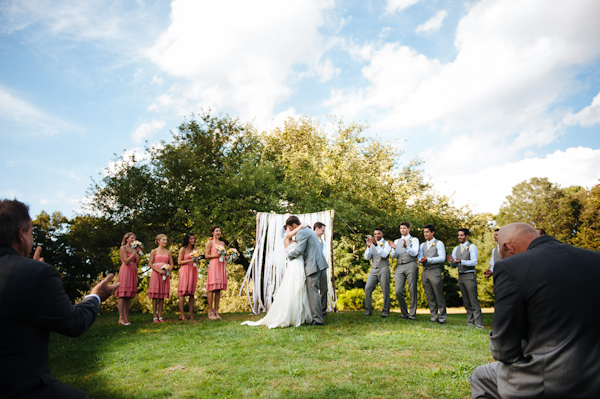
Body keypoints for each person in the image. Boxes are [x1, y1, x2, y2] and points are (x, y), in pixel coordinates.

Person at [0, 199, 119, 398]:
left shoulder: (27, 273)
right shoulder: (38, 274)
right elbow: (73, 323)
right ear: (21, 234)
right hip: (21, 387)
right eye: (31, 232)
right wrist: (95, 296)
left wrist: (25, 269)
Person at [470, 223, 600, 398]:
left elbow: (503, 349)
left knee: (480, 377)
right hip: (595, 377)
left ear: (508, 247)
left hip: (550, 381)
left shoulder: (512, 268)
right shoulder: (594, 258)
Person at [241, 223, 312, 328]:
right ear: (285, 230)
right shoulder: (286, 238)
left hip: (299, 263)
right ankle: (291, 314)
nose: (291, 230)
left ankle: (300, 314)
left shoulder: (294, 240)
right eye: (289, 229)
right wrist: (303, 226)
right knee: (294, 285)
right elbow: (295, 232)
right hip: (294, 264)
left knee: (300, 285)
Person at [285, 215, 329, 325]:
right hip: (319, 264)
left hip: (313, 265)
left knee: (313, 293)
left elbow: (299, 250)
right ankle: (319, 314)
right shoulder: (307, 230)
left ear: (294, 225)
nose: (291, 230)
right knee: (317, 292)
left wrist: (288, 256)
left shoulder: (301, 232)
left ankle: (318, 319)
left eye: (291, 228)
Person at [447, 228, 483, 328]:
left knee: (473, 300)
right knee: (466, 301)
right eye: (458, 235)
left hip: (469, 275)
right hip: (461, 276)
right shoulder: (456, 249)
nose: (459, 237)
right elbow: (454, 265)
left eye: (462, 235)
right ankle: (470, 323)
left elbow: (474, 262)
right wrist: (451, 262)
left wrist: (461, 262)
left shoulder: (472, 247)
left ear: (467, 236)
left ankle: (479, 324)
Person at [389, 221, 419, 320]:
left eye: (404, 228)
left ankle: (413, 313)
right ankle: (404, 312)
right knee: (398, 291)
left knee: (412, 289)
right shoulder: (397, 241)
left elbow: (415, 253)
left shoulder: (414, 240)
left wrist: (407, 247)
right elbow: (394, 256)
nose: (402, 230)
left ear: (408, 229)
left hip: (410, 264)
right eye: (401, 228)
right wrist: (393, 249)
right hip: (399, 266)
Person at [418, 224, 447, 324]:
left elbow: (442, 258)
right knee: (429, 295)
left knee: (438, 295)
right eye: (424, 232)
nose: (425, 234)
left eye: (427, 232)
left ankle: (443, 317)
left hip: (435, 270)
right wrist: (420, 260)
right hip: (425, 271)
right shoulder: (422, 245)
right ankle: (433, 316)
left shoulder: (439, 243)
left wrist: (429, 259)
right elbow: (419, 257)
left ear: (432, 232)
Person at [115, 232, 142, 326]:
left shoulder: (134, 249)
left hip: (133, 270)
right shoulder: (123, 248)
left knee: (128, 296)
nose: (133, 239)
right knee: (122, 295)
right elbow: (126, 261)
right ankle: (121, 318)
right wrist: (133, 252)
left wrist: (138, 253)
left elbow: (137, 263)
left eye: (134, 238)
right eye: (131, 238)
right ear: (126, 239)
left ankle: (126, 317)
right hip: (125, 270)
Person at [363, 229, 392, 317]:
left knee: (385, 290)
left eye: (378, 234)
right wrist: (368, 247)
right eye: (375, 234)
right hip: (374, 269)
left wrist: (376, 246)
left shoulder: (387, 243)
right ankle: (368, 310)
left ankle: (385, 311)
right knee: (367, 288)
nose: (376, 235)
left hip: (384, 268)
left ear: (382, 234)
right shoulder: (371, 244)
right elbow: (367, 257)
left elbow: (384, 254)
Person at [148, 234, 174, 323]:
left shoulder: (168, 252)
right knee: (155, 295)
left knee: (162, 295)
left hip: (165, 274)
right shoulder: (154, 251)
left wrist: (168, 270)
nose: (165, 241)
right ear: (158, 241)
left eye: (166, 240)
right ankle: (154, 315)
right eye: (163, 240)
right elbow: (150, 263)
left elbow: (172, 264)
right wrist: (159, 271)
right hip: (156, 274)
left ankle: (160, 314)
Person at [205, 225, 228, 320]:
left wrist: (226, 258)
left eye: (219, 231)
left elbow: (223, 255)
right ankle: (210, 311)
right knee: (211, 288)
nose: (218, 232)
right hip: (214, 265)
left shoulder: (222, 243)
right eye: (217, 231)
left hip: (221, 265)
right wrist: (217, 256)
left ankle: (216, 311)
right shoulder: (210, 243)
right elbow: (206, 256)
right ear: (212, 232)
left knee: (218, 289)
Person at [177, 232, 198, 320]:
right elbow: (179, 262)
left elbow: (196, 261)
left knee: (191, 293)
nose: (193, 240)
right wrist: (190, 260)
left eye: (193, 239)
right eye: (191, 239)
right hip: (185, 271)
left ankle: (191, 314)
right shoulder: (183, 249)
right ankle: (182, 314)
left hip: (193, 270)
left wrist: (196, 260)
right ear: (187, 240)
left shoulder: (195, 249)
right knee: (182, 293)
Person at [313, 221, 329, 315]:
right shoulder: (310, 238)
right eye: (322, 230)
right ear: (317, 228)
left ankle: (323, 310)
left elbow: (325, 254)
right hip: (312, 267)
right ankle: (314, 310)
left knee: (324, 289)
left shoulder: (324, 242)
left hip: (322, 266)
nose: (323, 232)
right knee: (313, 289)